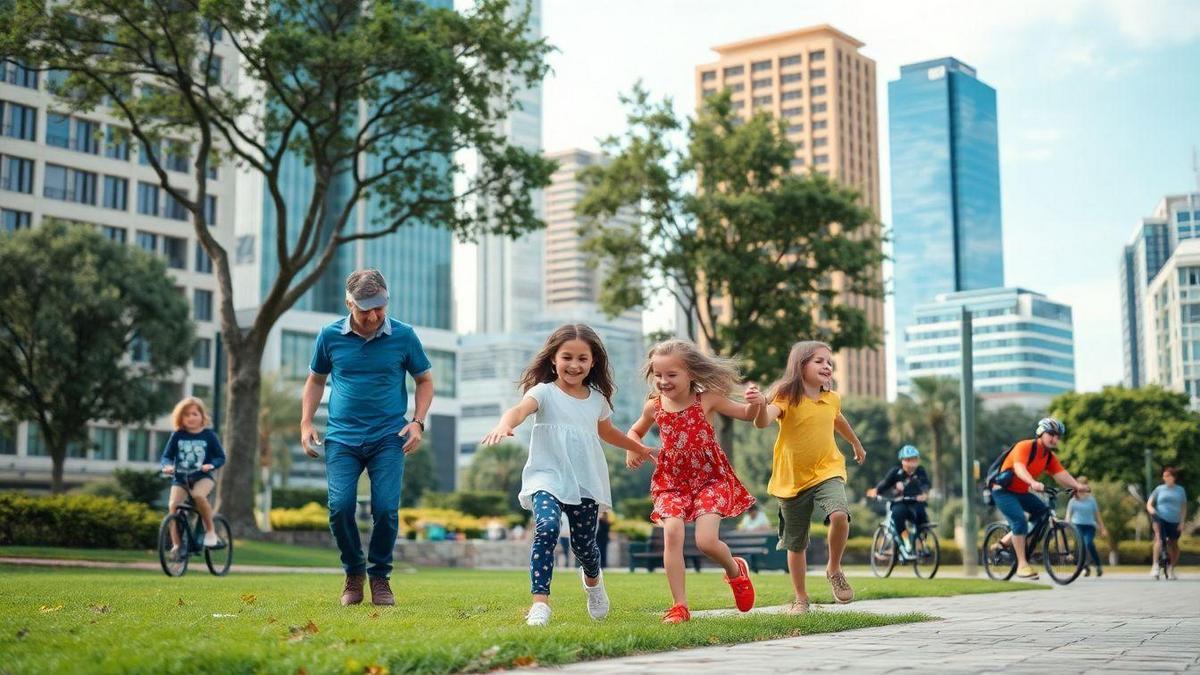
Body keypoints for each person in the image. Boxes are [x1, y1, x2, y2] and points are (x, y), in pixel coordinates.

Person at [482, 324, 655, 627]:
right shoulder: (543, 392)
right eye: (567, 357)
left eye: (582, 358)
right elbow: (519, 410)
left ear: (593, 362)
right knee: (547, 527)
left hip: (585, 479)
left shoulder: (597, 400)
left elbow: (607, 432)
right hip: (546, 476)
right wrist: (504, 424)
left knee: (585, 547)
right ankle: (540, 604)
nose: (574, 365)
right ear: (553, 359)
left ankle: (594, 583)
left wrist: (639, 447)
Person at [300, 269, 434, 607]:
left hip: (389, 436)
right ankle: (354, 572)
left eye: (380, 308)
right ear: (349, 303)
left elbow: (424, 380)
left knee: (386, 509)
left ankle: (380, 577)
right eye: (365, 310)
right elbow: (316, 380)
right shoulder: (329, 336)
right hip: (342, 437)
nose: (374, 317)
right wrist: (306, 423)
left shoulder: (404, 336)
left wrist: (417, 422)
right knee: (340, 508)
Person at [625, 339, 760, 624]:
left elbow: (746, 415)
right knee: (672, 533)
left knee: (706, 542)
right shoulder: (654, 407)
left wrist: (756, 404)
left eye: (671, 374)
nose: (663, 381)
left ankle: (735, 570)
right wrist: (633, 448)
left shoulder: (707, 399)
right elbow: (634, 431)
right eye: (658, 375)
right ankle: (679, 606)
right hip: (672, 481)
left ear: (691, 373)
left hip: (710, 479)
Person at [753, 341, 867, 614]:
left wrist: (855, 443)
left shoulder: (832, 398)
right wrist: (758, 405)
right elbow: (762, 421)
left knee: (839, 515)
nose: (827, 366)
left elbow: (838, 419)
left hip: (828, 469)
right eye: (819, 361)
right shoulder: (785, 395)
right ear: (800, 364)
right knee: (796, 543)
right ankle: (801, 598)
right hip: (792, 479)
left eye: (829, 362)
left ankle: (834, 568)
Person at [988, 417, 1088, 580]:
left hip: (1021, 492)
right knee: (1019, 521)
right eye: (1051, 434)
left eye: (1057, 436)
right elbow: (1019, 468)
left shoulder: (1049, 457)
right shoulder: (1024, 446)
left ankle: (1003, 543)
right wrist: (1033, 482)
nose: (1054, 439)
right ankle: (1022, 565)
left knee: (1043, 512)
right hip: (1002, 491)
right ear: (1041, 432)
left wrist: (1077, 486)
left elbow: (1061, 474)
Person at [159, 396, 226, 558]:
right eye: (186, 414)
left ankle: (210, 532)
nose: (191, 417)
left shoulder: (209, 435)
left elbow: (220, 457)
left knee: (198, 495)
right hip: (181, 479)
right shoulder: (177, 435)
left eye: (195, 414)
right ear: (180, 418)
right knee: (173, 505)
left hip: (203, 477)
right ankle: (177, 545)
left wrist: (211, 465)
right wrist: (167, 466)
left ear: (202, 416)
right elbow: (166, 456)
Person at [867, 445, 930, 560]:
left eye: (914, 459)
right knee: (898, 514)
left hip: (916, 502)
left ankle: (921, 543)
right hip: (900, 502)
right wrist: (876, 491)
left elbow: (925, 484)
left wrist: (924, 494)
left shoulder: (920, 471)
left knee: (922, 517)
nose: (912, 462)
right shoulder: (896, 472)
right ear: (903, 461)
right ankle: (906, 542)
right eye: (909, 459)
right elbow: (886, 483)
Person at [1148, 467, 1188, 579]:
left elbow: (1183, 507)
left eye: (1168, 476)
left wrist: (1182, 522)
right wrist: (1153, 511)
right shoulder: (1159, 489)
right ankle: (1155, 566)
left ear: (1173, 477)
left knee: (1174, 544)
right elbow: (1149, 504)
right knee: (1159, 539)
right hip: (1160, 518)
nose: (1165, 478)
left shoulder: (1180, 490)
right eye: (1164, 476)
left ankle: (1171, 568)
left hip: (1175, 521)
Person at [1066, 476, 1107, 577]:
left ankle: (1098, 566)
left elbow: (1097, 515)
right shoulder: (1072, 501)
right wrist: (1066, 526)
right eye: (1080, 484)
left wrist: (1103, 528)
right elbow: (1068, 516)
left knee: (1089, 544)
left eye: (1084, 484)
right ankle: (1085, 567)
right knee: (1081, 545)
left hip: (1090, 526)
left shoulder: (1091, 500)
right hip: (1077, 526)